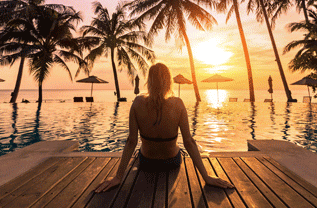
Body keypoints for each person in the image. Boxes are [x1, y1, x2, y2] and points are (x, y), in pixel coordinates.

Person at [95, 63, 234, 193]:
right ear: (168, 82)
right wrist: (207, 177)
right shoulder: (178, 104)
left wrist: (118, 177)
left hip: (147, 162)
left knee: (139, 152)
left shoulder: (137, 103)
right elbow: (189, 142)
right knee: (178, 146)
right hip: (171, 162)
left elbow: (131, 141)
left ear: (149, 81)